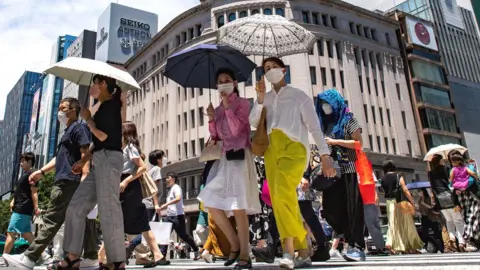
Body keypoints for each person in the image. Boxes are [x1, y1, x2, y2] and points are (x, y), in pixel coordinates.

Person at [249, 57, 334, 269]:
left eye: (273, 67)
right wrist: (259, 99)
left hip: (295, 148)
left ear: (284, 70)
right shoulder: (265, 98)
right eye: (266, 69)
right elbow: (253, 122)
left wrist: (325, 156)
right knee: (280, 199)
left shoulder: (299, 96)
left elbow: (315, 128)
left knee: (283, 192)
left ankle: (289, 249)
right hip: (271, 150)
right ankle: (304, 249)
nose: (269, 71)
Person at [3, 97, 98, 270]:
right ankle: (90, 257)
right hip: (65, 179)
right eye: (59, 108)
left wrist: (83, 173)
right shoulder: (68, 132)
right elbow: (60, 157)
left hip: (68, 181)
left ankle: (30, 258)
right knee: (79, 218)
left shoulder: (78, 127)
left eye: (63, 108)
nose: (59, 112)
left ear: (74, 110)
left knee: (52, 219)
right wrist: (42, 172)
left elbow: (87, 153)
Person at [58, 75, 126, 269]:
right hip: (99, 161)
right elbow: (97, 143)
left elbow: (103, 136)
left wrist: (88, 120)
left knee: (108, 210)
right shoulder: (103, 108)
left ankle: (117, 261)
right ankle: (72, 256)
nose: (93, 87)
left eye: (95, 83)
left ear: (103, 85)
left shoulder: (111, 106)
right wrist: (83, 161)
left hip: (109, 159)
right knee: (76, 207)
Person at [198, 68, 261, 270]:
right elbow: (216, 136)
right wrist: (210, 118)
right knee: (210, 201)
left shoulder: (243, 104)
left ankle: (245, 253)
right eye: (219, 81)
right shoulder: (216, 109)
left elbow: (236, 129)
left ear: (234, 83)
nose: (223, 83)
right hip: (224, 159)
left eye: (226, 80)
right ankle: (235, 245)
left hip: (240, 157)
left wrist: (226, 107)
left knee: (238, 206)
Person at [316, 89, 368, 261]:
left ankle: (356, 246)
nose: (325, 107)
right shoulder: (325, 124)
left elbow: (358, 143)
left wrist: (335, 142)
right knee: (331, 209)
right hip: (332, 172)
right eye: (322, 103)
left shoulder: (349, 120)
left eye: (328, 103)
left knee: (352, 209)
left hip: (349, 170)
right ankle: (344, 238)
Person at [120, 121, 169, 267]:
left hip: (128, 187)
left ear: (125, 132)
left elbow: (142, 167)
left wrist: (126, 181)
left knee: (118, 221)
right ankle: (158, 254)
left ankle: (103, 256)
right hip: (127, 186)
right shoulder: (124, 148)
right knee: (142, 224)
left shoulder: (130, 148)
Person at [0, 153, 39, 267]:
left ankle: (4, 258)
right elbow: (20, 192)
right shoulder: (26, 175)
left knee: (11, 232)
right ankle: (44, 254)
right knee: (27, 234)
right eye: (20, 161)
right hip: (21, 207)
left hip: (23, 208)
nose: (21, 163)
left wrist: (36, 207)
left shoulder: (32, 174)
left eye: (23, 161)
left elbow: (34, 191)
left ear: (30, 161)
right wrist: (13, 201)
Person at [381, 159, 423, 254]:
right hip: (401, 201)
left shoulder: (382, 178)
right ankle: (412, 247)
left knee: (393, 224)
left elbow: (385, 191)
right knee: (407, 224)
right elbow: (405, 190)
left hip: (390, 203)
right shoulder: (398, 176)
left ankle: (392, 244)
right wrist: (412, 202)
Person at [428, 154, 466, 252]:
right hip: (451, 198)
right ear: (440, 161)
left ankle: (452, 238)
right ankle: (461, 241)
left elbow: (432, 188)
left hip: (440, 200)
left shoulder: (430, 173)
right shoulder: (447, 169)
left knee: (449, 221)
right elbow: (452, 182)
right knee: (458, 220)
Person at [160, 172, 199, 260]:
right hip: (169, 216)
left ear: (173, 179)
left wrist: (165, 205)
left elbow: (178, 198)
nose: (166, 180)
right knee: (164, 235)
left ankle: (196, 249)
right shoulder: (170, 190)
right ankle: (162, 256)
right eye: (166, 178)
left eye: (168, 178)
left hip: (178, 216)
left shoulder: (176, 187)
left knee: (183, 235)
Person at [447, 151, 479, 252]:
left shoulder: (453, 169)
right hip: (468, 193)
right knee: (471, 215)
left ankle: (470, 239)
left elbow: (450, 181)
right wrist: (477, 178)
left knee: (467, 215)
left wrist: (453, 187)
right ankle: (469, 239)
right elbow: (473, 175)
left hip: (462, 194)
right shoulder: (467, 168)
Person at [142, 149, 166, 221]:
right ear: (158, 160)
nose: (164, 159)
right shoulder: (157, 169)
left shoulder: (151, 170)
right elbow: (154, 188)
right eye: (162, 157)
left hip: (147, 204)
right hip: (150, 205)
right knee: (151, 228)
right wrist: (156, 204)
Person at [418, 188, 444, 253]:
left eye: (420, 191)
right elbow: (420, 209)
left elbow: (431, 207)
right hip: (424, 217)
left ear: (423, 192)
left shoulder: (429, 198)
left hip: (431, 217)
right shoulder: (420, 200)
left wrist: (424, 203)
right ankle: (426, 246)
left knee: (436, 233)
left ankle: (440, 248)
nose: (419, 193)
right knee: (425, 233)